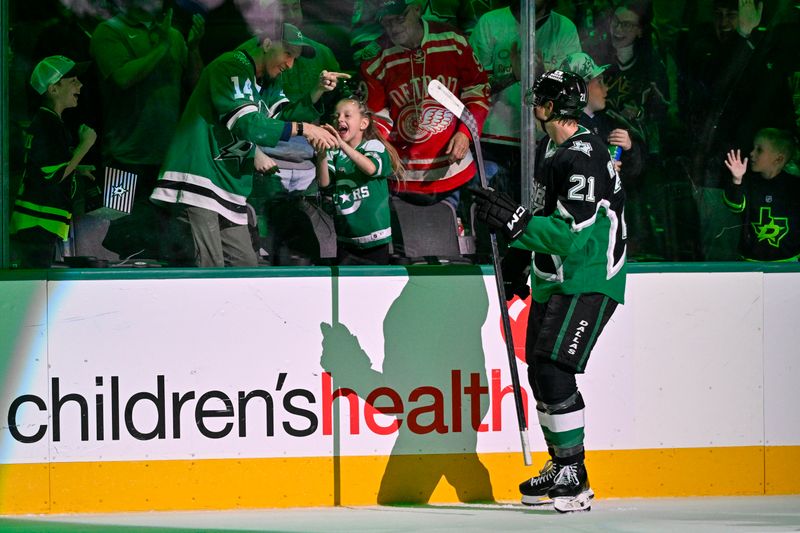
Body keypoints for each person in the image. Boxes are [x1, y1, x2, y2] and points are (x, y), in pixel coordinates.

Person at [471, 70, 627, 513]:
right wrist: (521, 263)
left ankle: (574, 476)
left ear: (553, 107)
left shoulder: (583, 155)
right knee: (541, 371)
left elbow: (570, 236)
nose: (533, 104)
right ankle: (563, 465)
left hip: (589, 275)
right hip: (557, 276)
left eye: (539, 98)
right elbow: (545, 214)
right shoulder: (554, 148)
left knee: (553, 366)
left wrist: (514, 222)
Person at [149, 22, 338, 267]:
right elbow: (249, 126)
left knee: (246, 270)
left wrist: (317, 90)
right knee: (210, 271)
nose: (290, 64)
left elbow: (282, 118)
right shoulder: (232, 65)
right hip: (199, 180)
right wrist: (304, 129)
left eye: (295, 58)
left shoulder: (267, 82)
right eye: (288, 54)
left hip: (229, 187)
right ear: (268, 43)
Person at [90, 0, 205, 260]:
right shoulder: (108, 31)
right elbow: (123, 78)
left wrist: (194, 47)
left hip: (167, 159)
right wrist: (161, 45)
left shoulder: (173, 34)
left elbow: (196, 84)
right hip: (122, 157)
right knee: (120, 233)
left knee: (168, 237)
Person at [359, 0, 490, 207]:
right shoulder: (376, 57)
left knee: (457, 235)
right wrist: (378, 147)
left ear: (417, 8)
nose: (394, 27)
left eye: (400, 18)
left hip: (454, 170)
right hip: (403, 176)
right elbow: (376, 113)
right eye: (387, 22)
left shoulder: (452, 41)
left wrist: (465, 133)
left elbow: (477, 92)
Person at [10, 56, 97, 268]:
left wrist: (77, 169)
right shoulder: (48, 125)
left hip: (36, 224)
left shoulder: (47, 121)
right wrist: (85, 145)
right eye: (72, 80)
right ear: (53, 89)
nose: (80, 84)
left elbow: (42, 169)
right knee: (36, 278)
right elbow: (54, 174)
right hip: (38, 223)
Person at [315, 97, 404, 265]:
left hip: (375, 239)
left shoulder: (373, 146)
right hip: (346, 239)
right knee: (347, 289)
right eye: (336, 116)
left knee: (374, 288)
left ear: (363, 124)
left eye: (347, 116)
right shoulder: (334, 153)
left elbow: (371, 168)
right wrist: (320, 155)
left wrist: (341, 144)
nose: (340, 119)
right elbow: (325, 183)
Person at [723, 128, 800, 262]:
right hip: (750, 262)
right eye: (753, 148)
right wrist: (737, 180)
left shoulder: (795, 188)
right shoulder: (748, 182)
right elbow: (734, 207)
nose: (752, 153)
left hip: (789, 265)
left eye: (759, 150)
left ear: (779, 158)